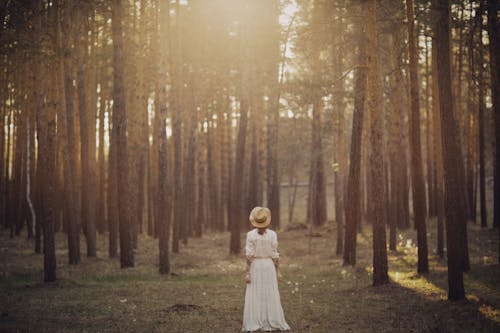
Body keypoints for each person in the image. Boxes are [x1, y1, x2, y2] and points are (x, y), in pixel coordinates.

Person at [242, 206, 290, 332]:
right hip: (261, 266)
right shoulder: (255, 235)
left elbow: (272, 254)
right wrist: (247, 273)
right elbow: (251, 256)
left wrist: (278, 271)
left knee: (265, 291)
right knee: (261, 292)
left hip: (263, 266)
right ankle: (261, 319)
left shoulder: (267, 235)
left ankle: (266, 319)